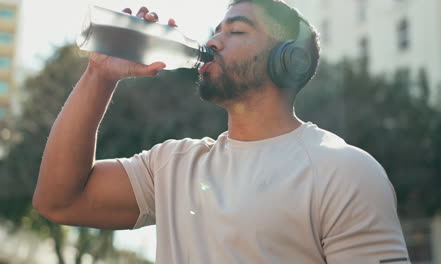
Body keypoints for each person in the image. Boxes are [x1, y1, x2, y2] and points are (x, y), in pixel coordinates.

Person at [33, 0, 411, 263]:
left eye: (236, 31)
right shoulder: (173, 164)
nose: (213, 42)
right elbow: (59, 201)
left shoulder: (344, 171)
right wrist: (99, 75)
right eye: (215, 31)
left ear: (288, 60)